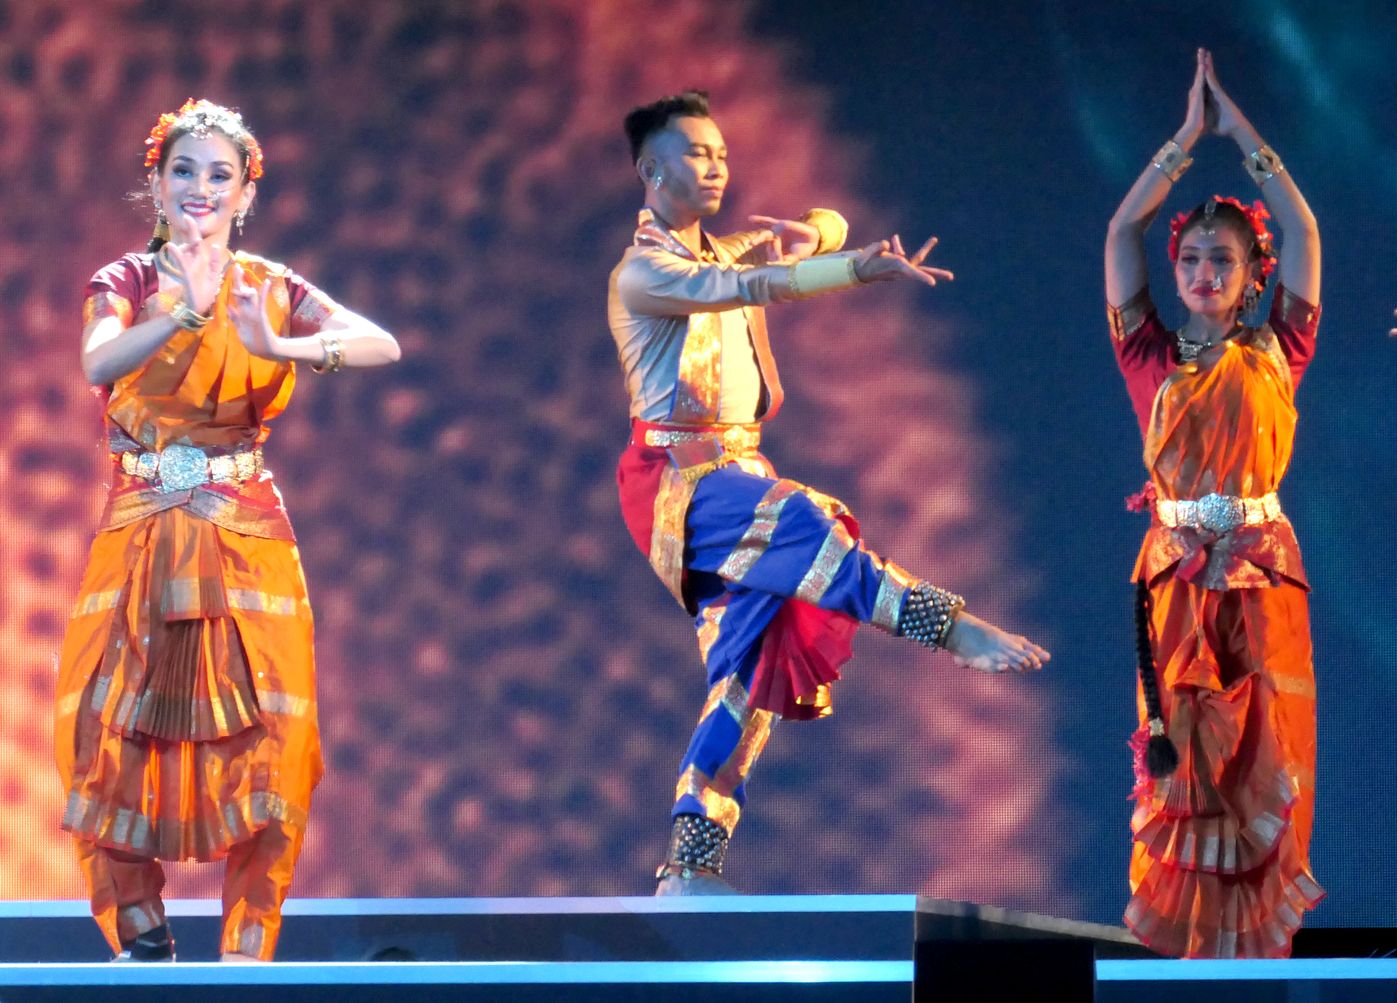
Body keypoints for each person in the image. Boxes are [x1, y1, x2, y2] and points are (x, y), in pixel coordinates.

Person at [608, 90, 1050, 895]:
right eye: (696, 153)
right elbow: (749, 286)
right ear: (650, 170)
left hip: (735, 472)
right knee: (806, 521)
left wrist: (820, 233)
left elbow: (812, 232)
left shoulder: (720, 253)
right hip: (679, 484)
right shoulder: (645, 273)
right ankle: (947, 627)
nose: (715, 166)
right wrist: (852, 267)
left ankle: (688, 865)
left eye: (720, 154)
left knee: (745, 673)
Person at [55, 99, 401, 962]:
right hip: (141, 532)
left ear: (246, 193)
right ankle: (142, 937)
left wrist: (279, 347)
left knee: (273, 740)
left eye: (220, 175)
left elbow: (379, 344)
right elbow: (98, 360)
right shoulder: (126, 281)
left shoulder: (270, 288)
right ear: (156, 183)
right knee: (103, 732)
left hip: (247, 535)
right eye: (184, 170)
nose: (200, 188)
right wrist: (181, 314)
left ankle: (248, 953)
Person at [1105, 51, 1324, 957]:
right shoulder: (1148, 356)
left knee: (1261, 759)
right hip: (1177, 587)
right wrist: (1182, 143)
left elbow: (1303, 230)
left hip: (1263, 577)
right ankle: (1181, 959)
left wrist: (1241, 136)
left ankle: (1256, 961)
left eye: (1221, 259)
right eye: (1190, 257)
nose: (1202, 271)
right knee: (1185, 764)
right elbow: (1121, 232)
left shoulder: (1278, 350)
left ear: (1250, 275)